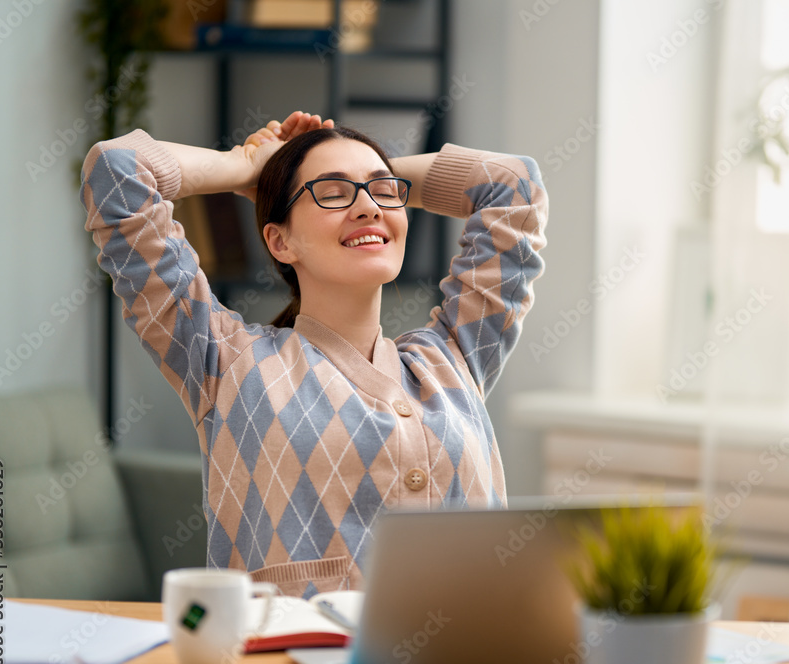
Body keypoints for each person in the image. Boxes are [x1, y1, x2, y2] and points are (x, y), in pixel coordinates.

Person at [80, 111, 548, 598]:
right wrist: (249, 167)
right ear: (280, 241)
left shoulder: (454, 357)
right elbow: (117, 170)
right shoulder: (223, 360)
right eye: (332, 192)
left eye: (383, 192)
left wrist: (362, 172)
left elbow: (514, 183)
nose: (368, 208)